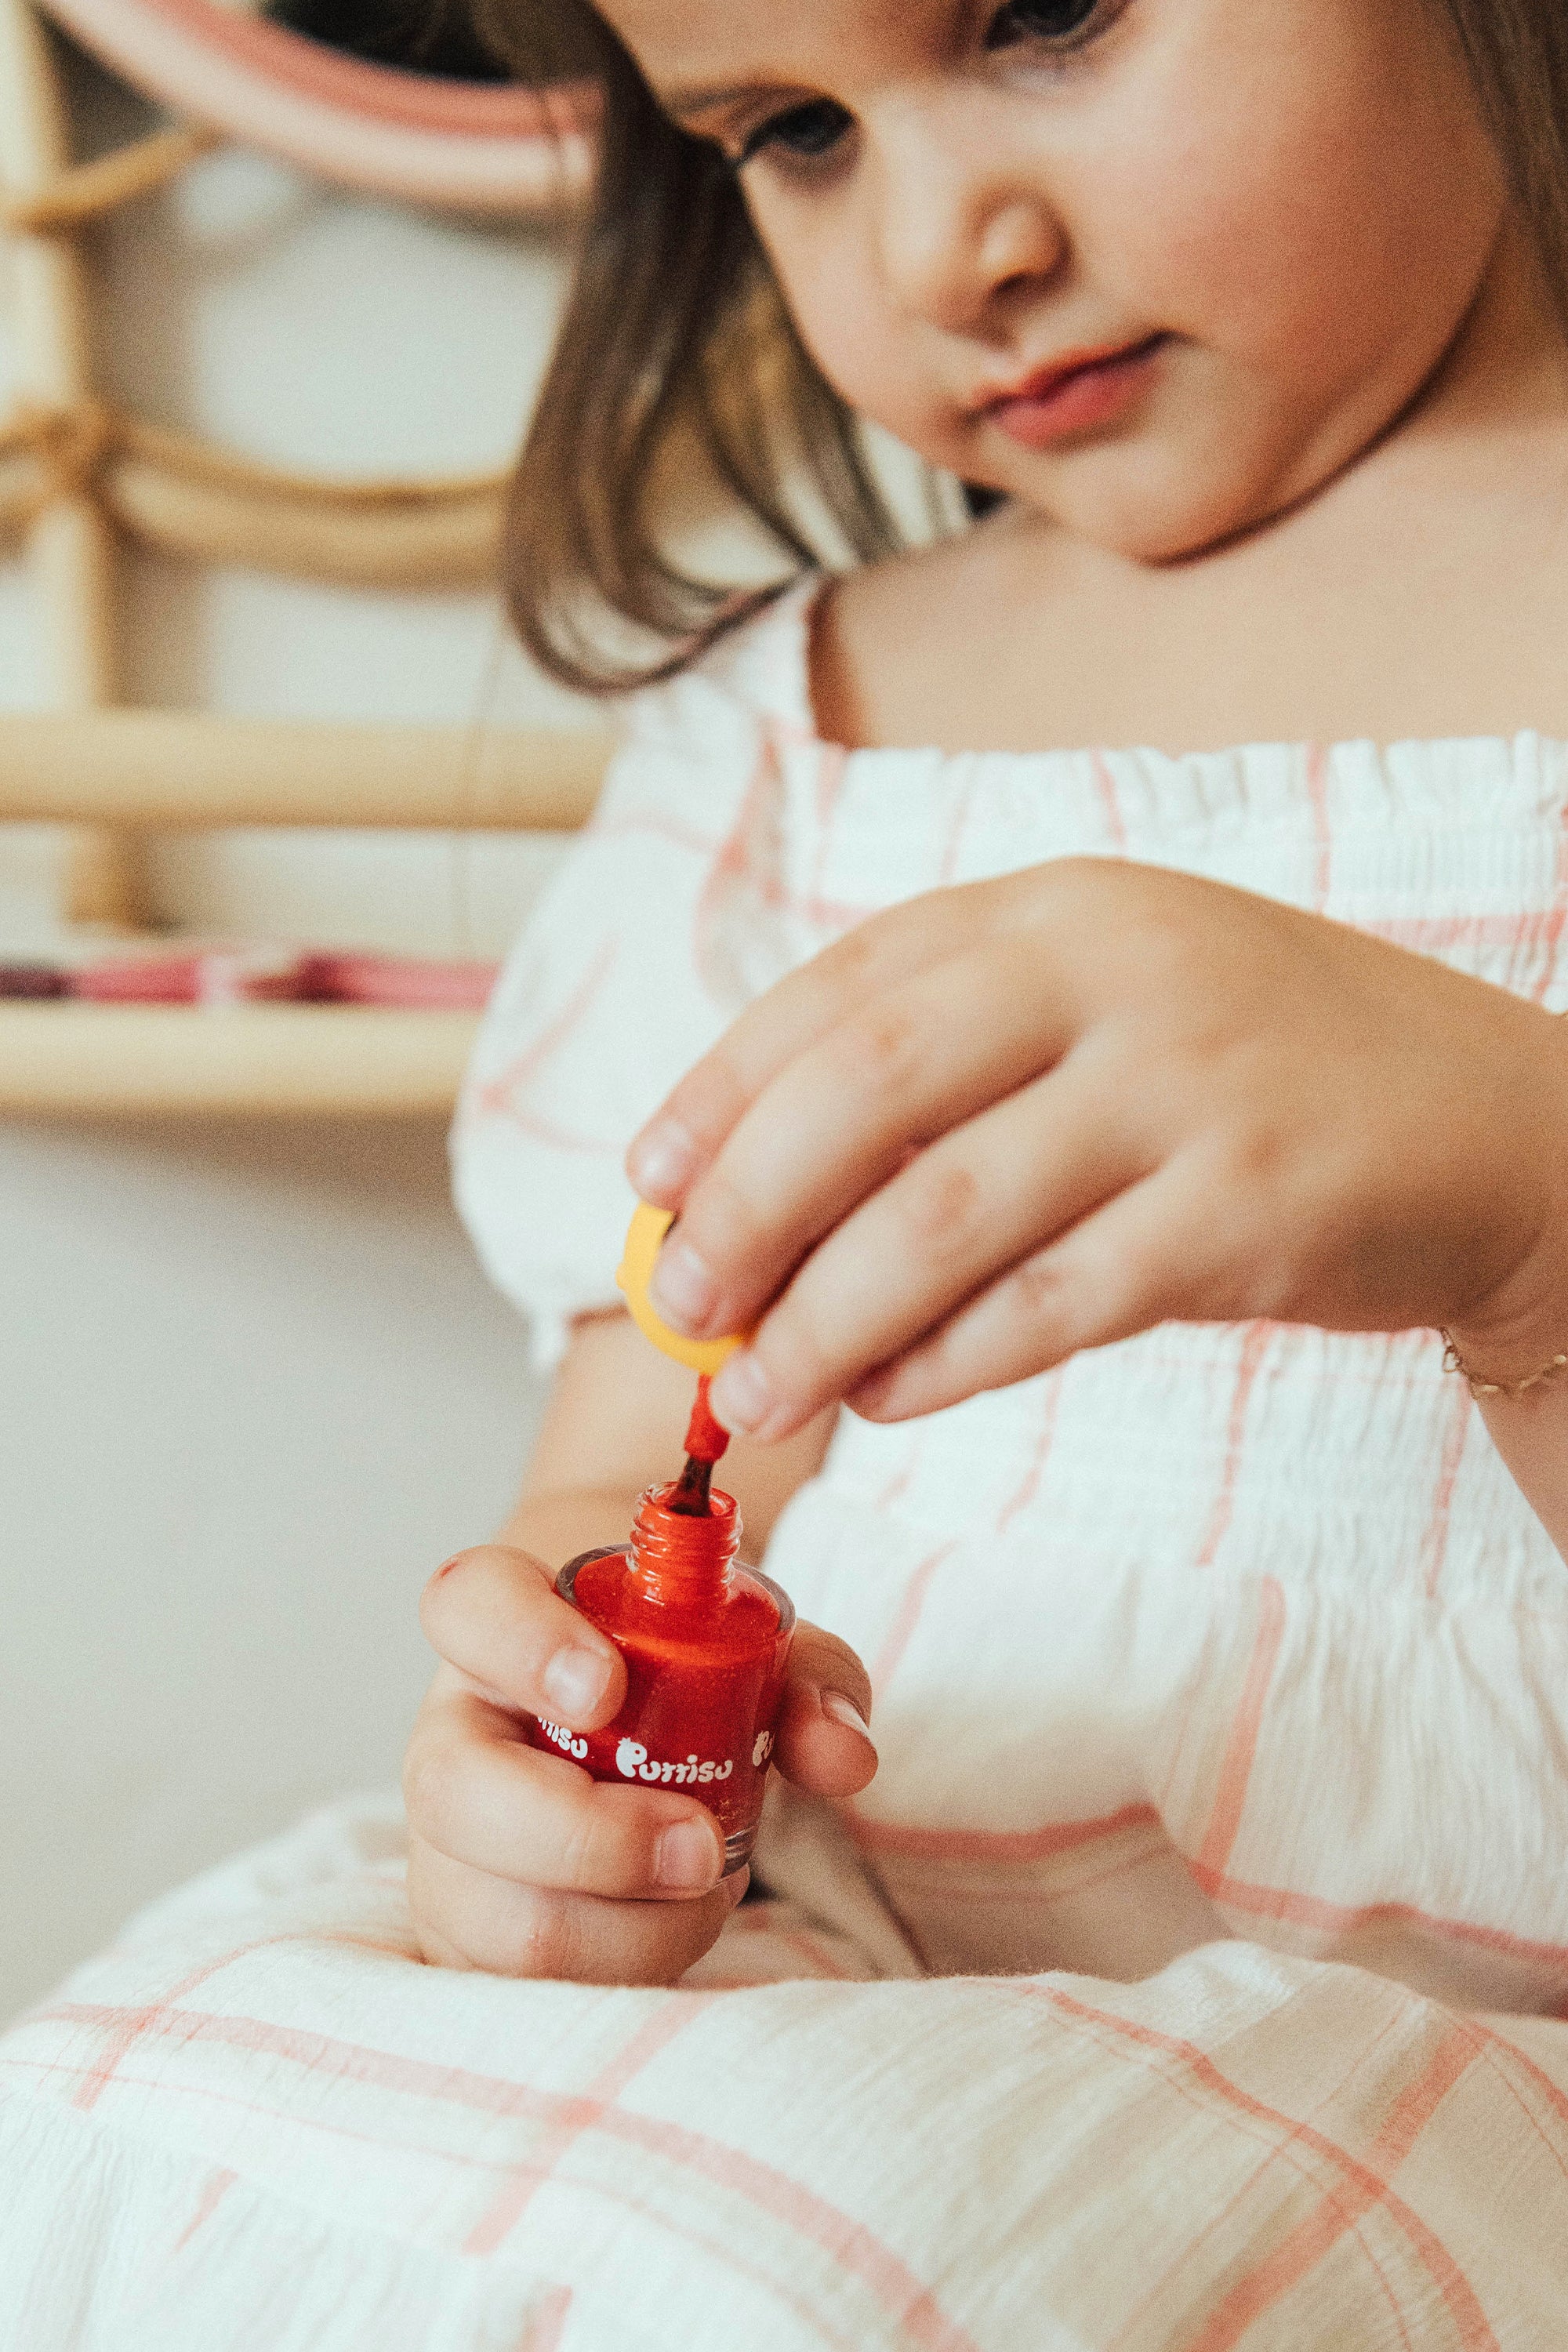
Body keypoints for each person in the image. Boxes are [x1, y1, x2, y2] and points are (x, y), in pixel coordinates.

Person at [412, 0, 1568, 2020]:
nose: (950, 251)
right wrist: (562, 1777)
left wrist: (1537, 1224)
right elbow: (654, 1495)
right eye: (794, 131)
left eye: (1046, 17)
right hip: (855, 2034)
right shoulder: (785, 753)